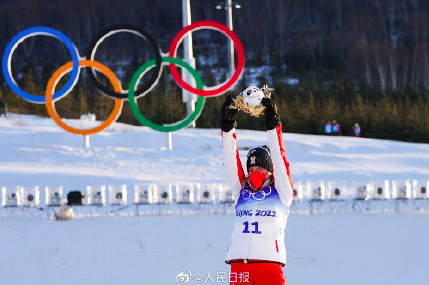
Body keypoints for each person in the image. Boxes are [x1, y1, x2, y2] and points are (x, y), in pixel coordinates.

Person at [220, 94, 293, 285]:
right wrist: (228, 127)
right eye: (251, 169)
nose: (254, 173)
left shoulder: (282, 193)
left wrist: (272, 124)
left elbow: (280, 159)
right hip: (239, 266)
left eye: (260, 169)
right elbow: (229, 162)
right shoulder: (241, 191)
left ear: (270, 171)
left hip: (269, 265)